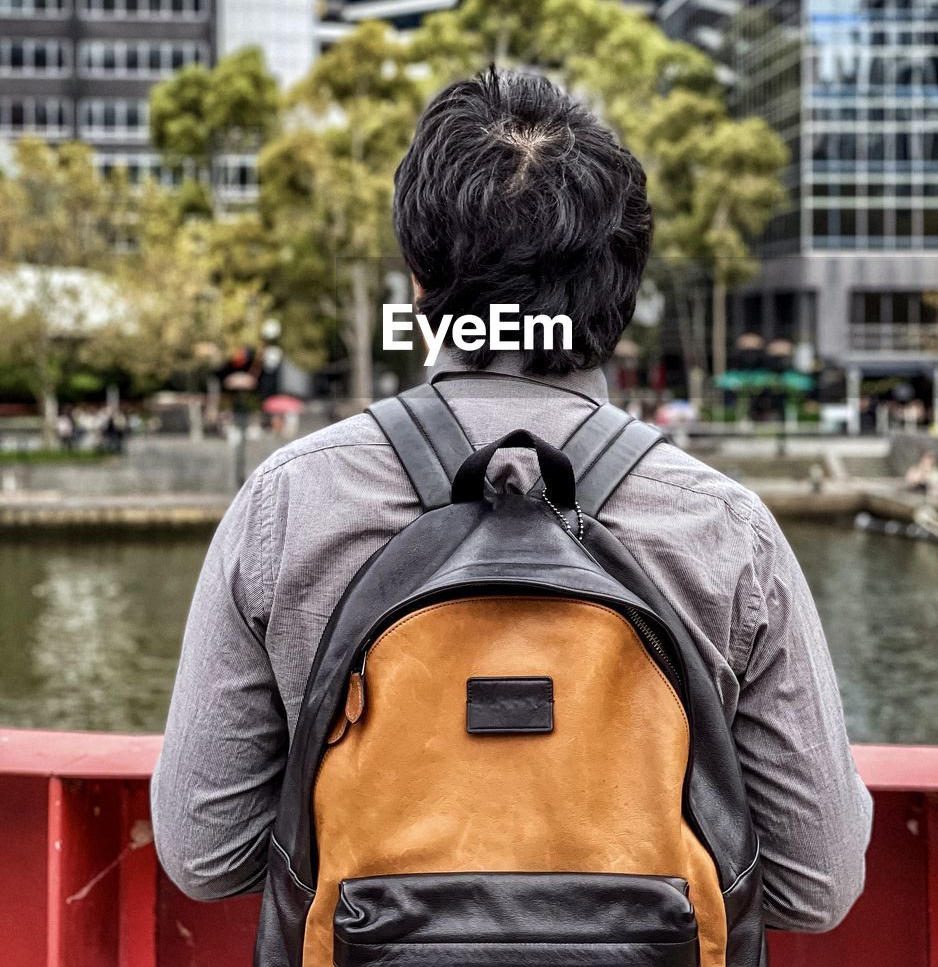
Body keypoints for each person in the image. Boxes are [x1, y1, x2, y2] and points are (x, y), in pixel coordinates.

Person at [152, 70, 872, 934]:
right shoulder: (724, 529)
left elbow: (204, 854)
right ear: (623, 286)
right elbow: (814, 884)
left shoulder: (288, 503)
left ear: (420, 278)